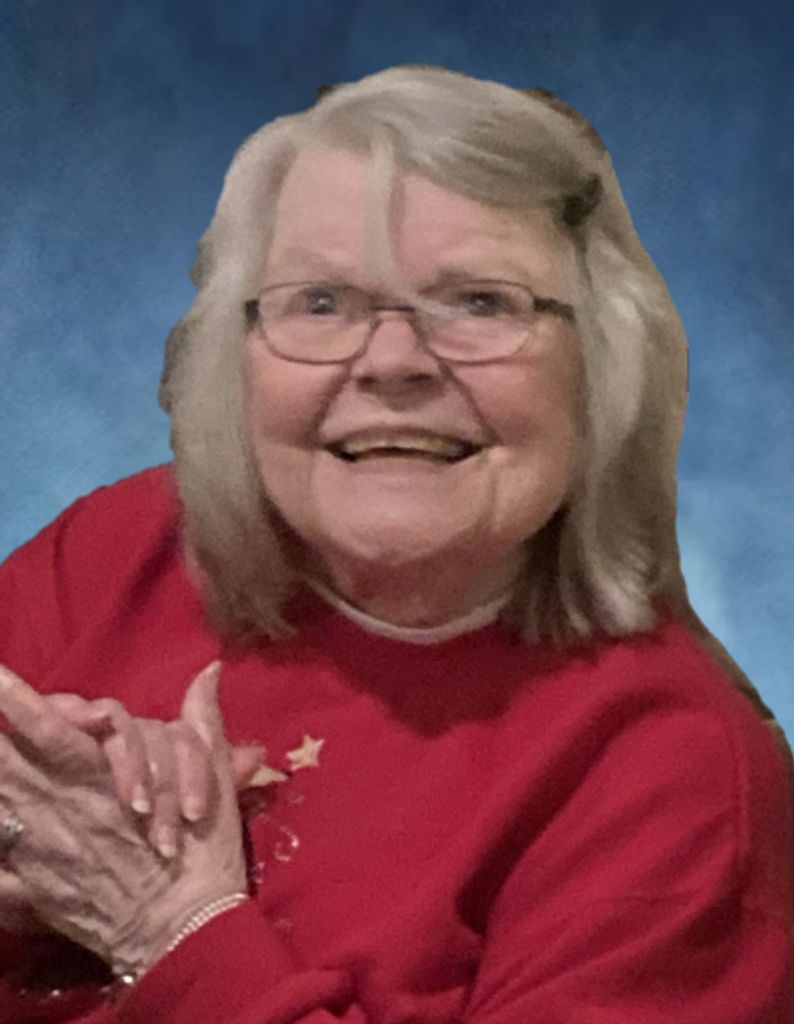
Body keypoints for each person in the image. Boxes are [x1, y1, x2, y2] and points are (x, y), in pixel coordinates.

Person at [0, 64, 791, 1023]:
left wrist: (170, 927)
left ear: (601, 368)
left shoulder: (677, 773)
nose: (393, 362)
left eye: (480, 303)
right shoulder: (123, 546)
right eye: (321, 302)